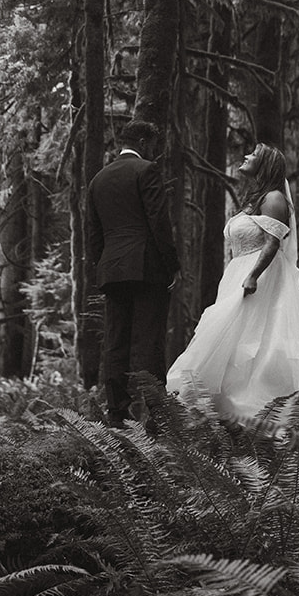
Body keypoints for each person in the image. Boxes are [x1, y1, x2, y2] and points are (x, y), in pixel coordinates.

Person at [166, 143, 299, 434]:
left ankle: (264, 411)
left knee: (258, 343)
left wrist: (253, 276)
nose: (245, 157)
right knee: (234, 341)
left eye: (252, 155)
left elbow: (272, 243)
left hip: (261, 278)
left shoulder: (274, 198)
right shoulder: (255, 199)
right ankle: (225, 410)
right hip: (237, 273)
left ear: (266, 164)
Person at [86, 118, 179, 426]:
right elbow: (159, 223)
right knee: (150, 340)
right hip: (146, 267)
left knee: (115, 341)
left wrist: (104, 264)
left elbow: (93, 234)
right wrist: (172, 266)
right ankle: (157, 415)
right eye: (152, 145)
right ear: (142, 143)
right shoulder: (147, 171)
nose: (154, 152)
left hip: (112, 269)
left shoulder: (98, 179)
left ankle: (116, 413)